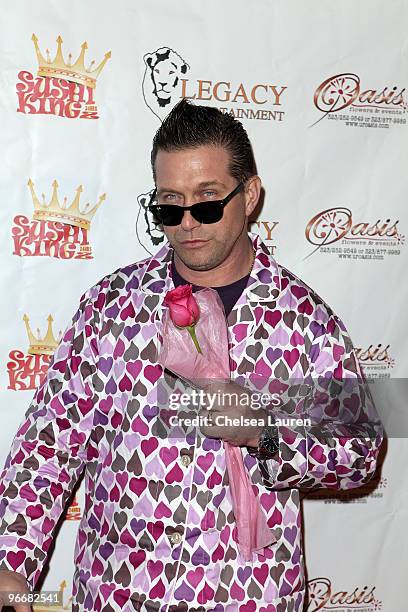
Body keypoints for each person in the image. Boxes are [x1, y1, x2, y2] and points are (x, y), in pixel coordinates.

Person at [0, 99, 384, 612]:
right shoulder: (110, 307)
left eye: (207, 201)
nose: (187, 223)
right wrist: (10, 562)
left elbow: (358, 454)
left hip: (250, 598)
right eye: (168, 205)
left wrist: (265, 433)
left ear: (249, 194)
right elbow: (48, 445)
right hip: (121, 595)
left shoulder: (305, 322)